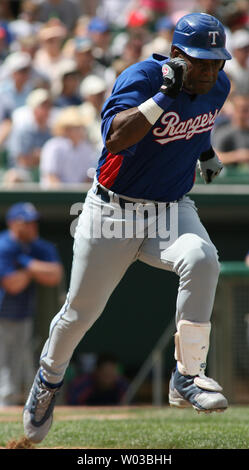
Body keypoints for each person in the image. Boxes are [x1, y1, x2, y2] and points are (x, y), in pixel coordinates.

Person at [23, 13, 231, 443]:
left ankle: (188, 376)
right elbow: (115, 138)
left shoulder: (219, 86)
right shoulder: (141, 77)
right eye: (201, 61)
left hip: (170, 208)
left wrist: (206, 151)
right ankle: (48, 379)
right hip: (112, 211)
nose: (211, 71)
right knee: (80, 314)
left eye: (217, 61)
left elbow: (196, 122)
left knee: (203, 258)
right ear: (176, 56)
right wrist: (161, 96)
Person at [0, 202, 63, 406]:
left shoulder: (35, 246)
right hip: (2, 315)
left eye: (34, 222)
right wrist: (34, 270)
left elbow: (54, 275)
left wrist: (26, 265)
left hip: (23, 316)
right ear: (13, 223)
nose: (32, 227)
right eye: (27, 222)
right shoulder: (4, 245)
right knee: (5, 369)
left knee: (23, 367)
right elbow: (12, 284)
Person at [39, 106, 98, 186]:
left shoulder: (86, 148)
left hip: (78, 196)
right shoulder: (53, 147)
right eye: (77, 127)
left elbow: (87, 177)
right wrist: (65, 196)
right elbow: (51, 177)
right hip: (54, 195)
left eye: (81, 127)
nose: (81, 130)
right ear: (66, 129)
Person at [5, 88, 53, 181]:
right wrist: (40, 156)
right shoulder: (22, 131)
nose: (47, 110)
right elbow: (22, 161)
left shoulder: (51, 132)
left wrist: (39, 156)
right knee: (14, 177)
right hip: (24, 173)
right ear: (34, 109)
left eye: (49, 106)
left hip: (45, 173)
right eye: (43, 106)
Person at [212, 92, 249, 166]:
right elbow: (213, 157)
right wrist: (237, 156)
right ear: (235, 110)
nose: (245, 114)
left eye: (247, 110)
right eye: (242, 110)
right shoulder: (224, 132)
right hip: (229, 176)